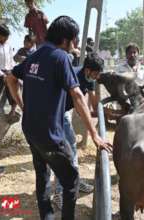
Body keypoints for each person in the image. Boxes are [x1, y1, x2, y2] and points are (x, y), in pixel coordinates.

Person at [6, 16, 112, 220]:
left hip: (30, 129)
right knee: (71, 178)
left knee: (42, 175)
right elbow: (77, 95)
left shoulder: (34, 55)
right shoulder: (60, 57)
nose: (76, 44)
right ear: (66, 39)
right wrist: (95, 135)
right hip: (49, 135)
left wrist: (23, 107)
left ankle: (47, 216)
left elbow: (10, 78)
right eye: (74, 39)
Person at [52, 52, 102, 210]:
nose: (96, 77)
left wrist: (100, 114)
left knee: (72, 147)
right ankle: (59, 193)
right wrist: (93, 131)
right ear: (87, 70)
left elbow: (93, 99)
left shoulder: (90, 77)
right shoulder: (73, 75)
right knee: (65, 153)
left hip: (65, 112)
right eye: (95, 74)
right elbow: (80, 106)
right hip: (55, 113)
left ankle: (75, 180)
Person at [0, 24, 18, 121]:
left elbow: (11, 60)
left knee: (18, 81)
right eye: (4, 36)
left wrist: (14, 71)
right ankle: (13, 110)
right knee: (9, 82)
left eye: (7, 36)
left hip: (8, 70)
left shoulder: (8, 44)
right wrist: (3, 75)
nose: (6, 38)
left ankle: (14, 108)